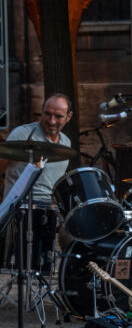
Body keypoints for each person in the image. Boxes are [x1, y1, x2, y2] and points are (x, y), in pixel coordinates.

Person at [0, 93, 73, 271]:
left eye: (58, 116)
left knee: (42, 269)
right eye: (47, 114)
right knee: (15, 268)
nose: (52, 121)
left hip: (47, 211)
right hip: (19, 209)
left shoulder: (66, 143)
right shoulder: (23, 134)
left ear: (69, 117)